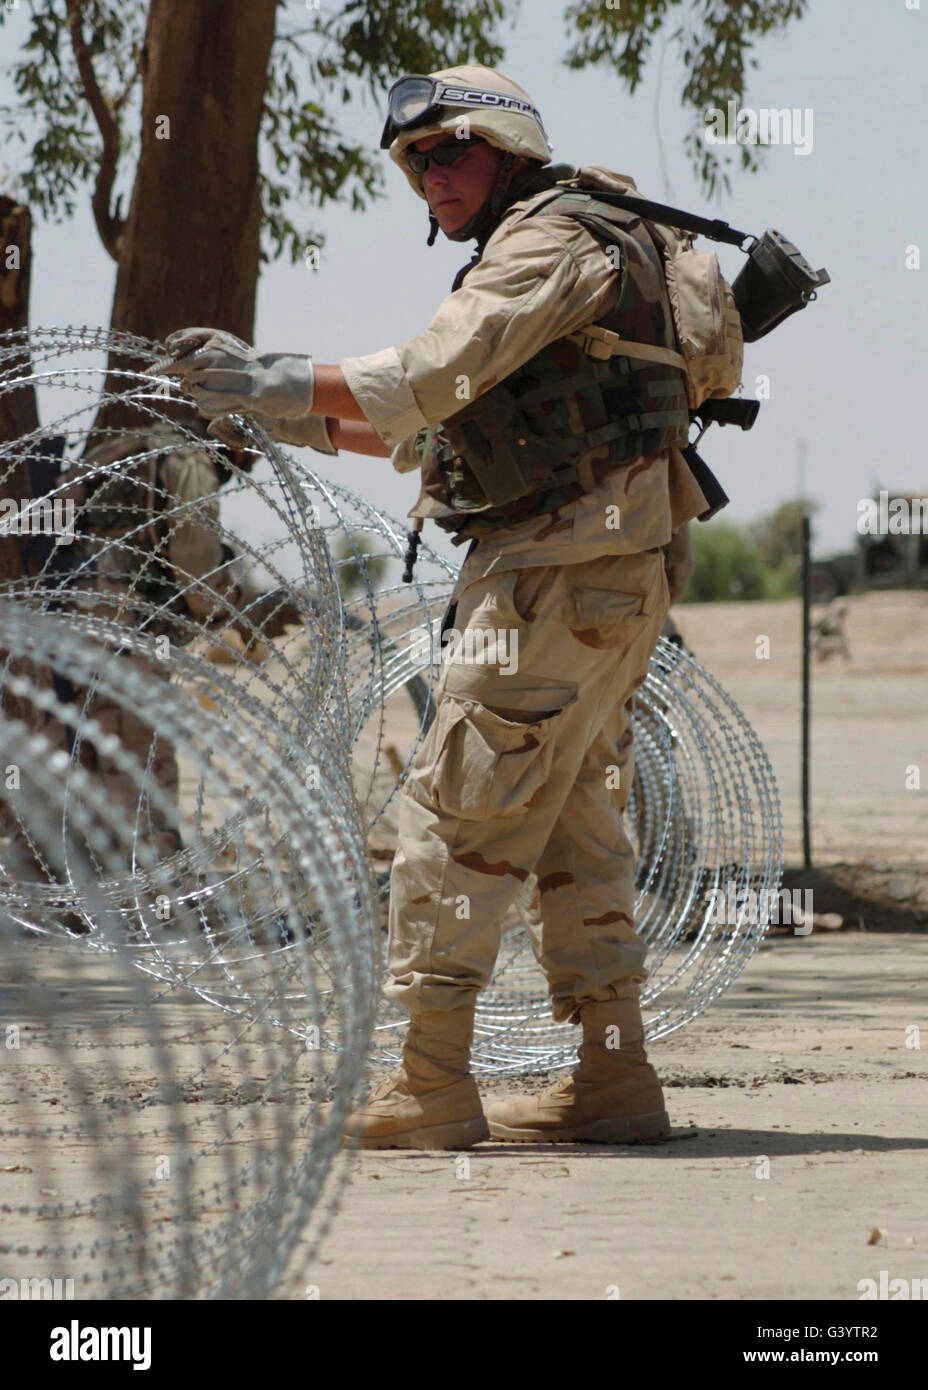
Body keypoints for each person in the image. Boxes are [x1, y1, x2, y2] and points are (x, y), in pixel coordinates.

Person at [157, 64, 712, 1148]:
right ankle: (613, 1084)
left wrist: (273, 379)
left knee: (451, 819)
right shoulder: (594, 242)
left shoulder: (547, 241)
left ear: (505, 149)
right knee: (569, 824)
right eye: (414, 162)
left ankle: (430, 1085)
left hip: (553, 576)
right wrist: (277, 412)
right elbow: (435, 428)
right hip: (607, 574)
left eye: (448, 152)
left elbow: (421, 375)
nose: (430, 176)